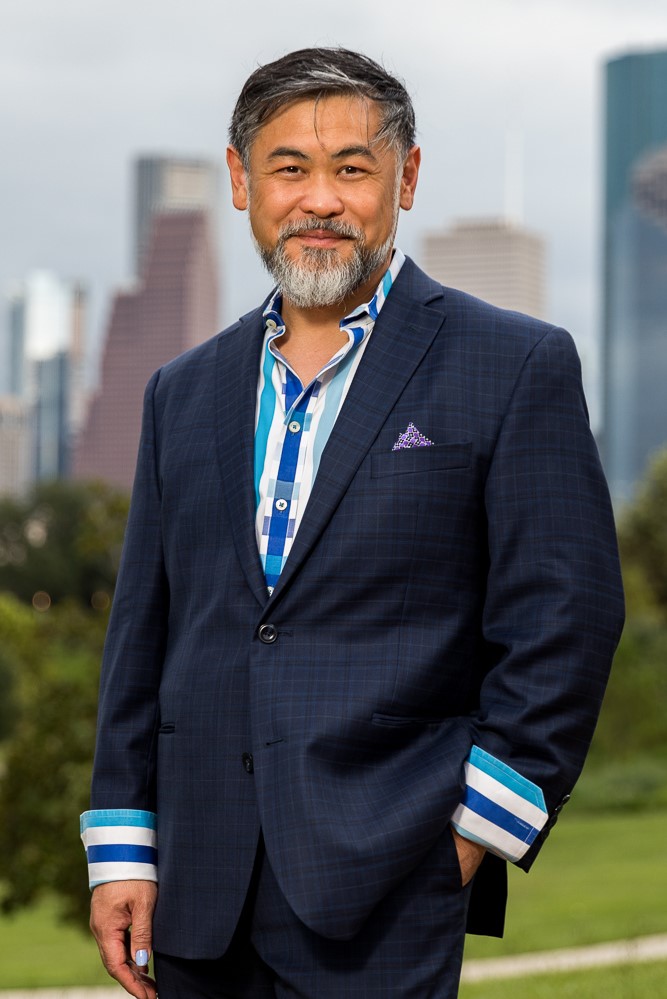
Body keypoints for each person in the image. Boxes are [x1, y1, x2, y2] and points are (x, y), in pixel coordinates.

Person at [81, 47, 625, 999]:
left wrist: (468, 840)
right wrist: (123, 847)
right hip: (198, 892)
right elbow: (145, 633)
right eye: (289, 168)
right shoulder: (182, 391)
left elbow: (565, 622)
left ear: (404, 179)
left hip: (389, 879)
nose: (319, 199)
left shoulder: (514, 364)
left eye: (352, 168)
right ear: (242, 180)